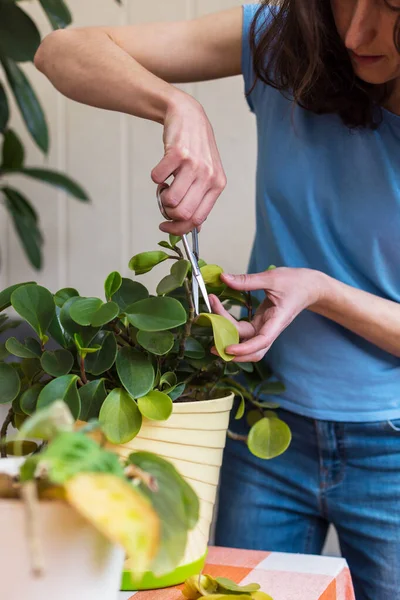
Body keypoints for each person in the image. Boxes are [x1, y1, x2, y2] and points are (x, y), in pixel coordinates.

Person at [34, 2, 400, 598]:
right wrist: (178, 105)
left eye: (391, 8)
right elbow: (59, 51)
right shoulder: (281, 38)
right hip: (262, 427)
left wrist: (324, 293)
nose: (357, 31)